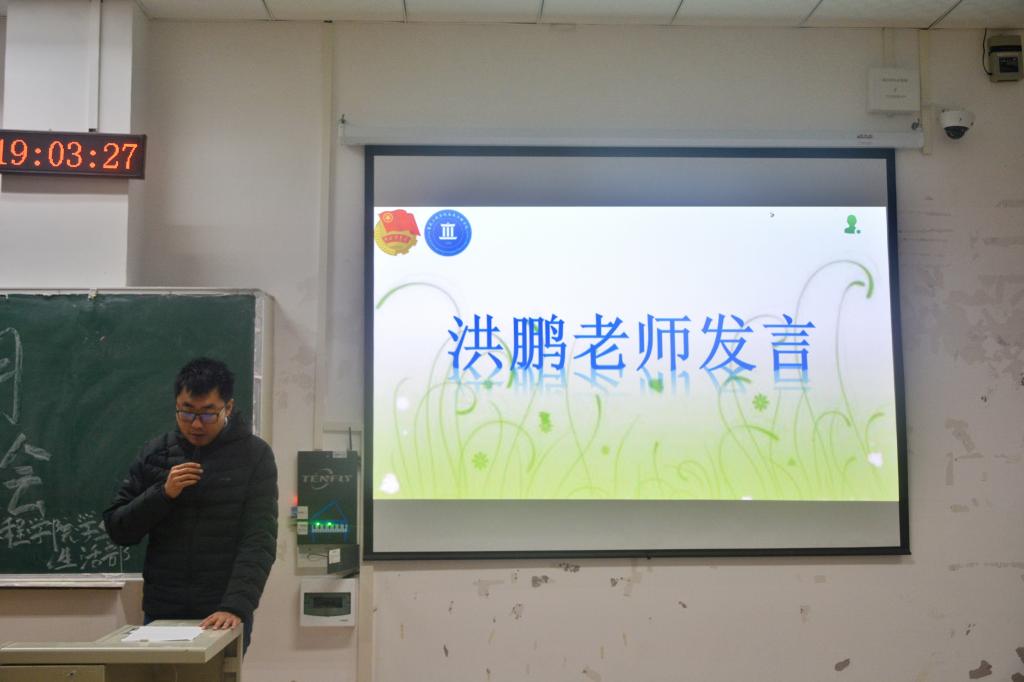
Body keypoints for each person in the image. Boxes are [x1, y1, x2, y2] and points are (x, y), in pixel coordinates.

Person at [104, 358, 277, 653]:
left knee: (218, 675)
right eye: (186, 412)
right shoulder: (155, 453)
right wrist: (163, 493)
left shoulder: (254, 455)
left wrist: (235, 606)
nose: (196, 424)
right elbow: (119, 528)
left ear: (228, 408)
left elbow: (259, 540)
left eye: (208, 414)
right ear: (176, 405)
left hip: (223, 611)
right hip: (162, 612)